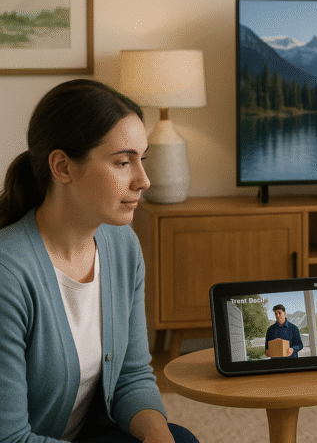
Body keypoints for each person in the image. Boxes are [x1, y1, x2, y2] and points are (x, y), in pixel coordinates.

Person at [0, 80, 198, 443]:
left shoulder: (122, 246)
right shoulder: (7, 275)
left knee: (178, 438)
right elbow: (10, 438)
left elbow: (131, 376)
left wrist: (159, 438)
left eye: (143, 160)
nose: (144, 180)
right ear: (62, 167)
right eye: (123, 162)